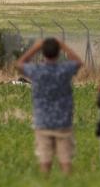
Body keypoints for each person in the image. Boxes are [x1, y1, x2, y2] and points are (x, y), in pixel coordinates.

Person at [16, 38, 83, 175]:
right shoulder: (64, 70)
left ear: (43, 53)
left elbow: (19, 64)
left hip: (43, 123)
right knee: (65, 161)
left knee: (45, 162)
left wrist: (37, 46)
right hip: (63, 123)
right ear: (58, 53)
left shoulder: (37, 71)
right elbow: (78, 62)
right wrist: (63, 45)